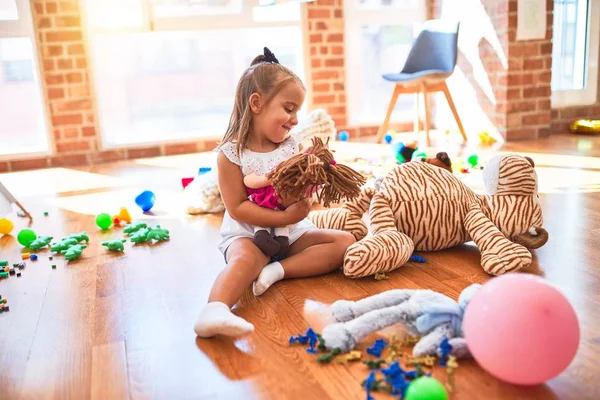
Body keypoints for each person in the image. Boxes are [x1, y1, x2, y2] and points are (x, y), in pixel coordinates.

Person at [194, 47, 355, 338]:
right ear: (257, 103)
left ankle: (278, 271)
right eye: (289, 109)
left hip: (290, 233)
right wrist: (282, 217)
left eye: (297, 112)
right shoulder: (231, 154)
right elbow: (237, 208)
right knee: (245, 261)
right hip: (248, 234)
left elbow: (299, 187)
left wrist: (305, 197)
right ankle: (214, 310)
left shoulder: (291, 147)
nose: (294, 120)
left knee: (344, 241)